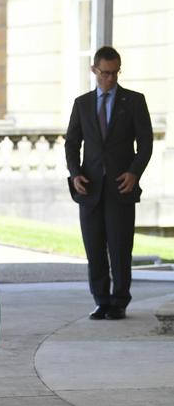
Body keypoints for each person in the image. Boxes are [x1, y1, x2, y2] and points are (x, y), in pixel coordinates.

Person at [65, 46, 153, 321]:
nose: (110, 79)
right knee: (94, 248)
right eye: (105, 73)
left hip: (121, 187)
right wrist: (76, 172)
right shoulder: (82, 104)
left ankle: (119, 301)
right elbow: (72, 143)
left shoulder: (135, 101)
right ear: (94, 70)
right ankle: (101, 300)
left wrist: (134, 173)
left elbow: (146, 144)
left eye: (115, 73)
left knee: (119, 248)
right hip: (89, 188)